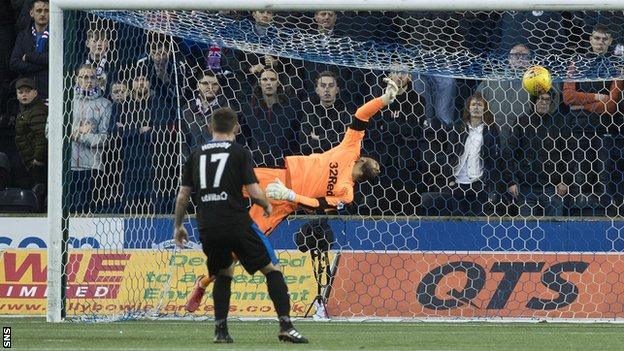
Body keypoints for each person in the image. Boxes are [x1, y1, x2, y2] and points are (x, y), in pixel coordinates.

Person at [186, 78, 400, 305]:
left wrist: (290, 196)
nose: (376, 165)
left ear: (368, 175)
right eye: (375, 163)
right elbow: (361, 115)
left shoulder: (346, 193)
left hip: (283, 203)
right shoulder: (350, 149)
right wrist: (384, 99)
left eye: (377, 169)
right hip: (280, 178)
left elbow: (317, 204)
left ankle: (203, 283)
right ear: (363, 158)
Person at [173, 107, 308, 344]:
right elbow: (255, 192)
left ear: (209, 128)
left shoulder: (195, 154)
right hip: (236, 223)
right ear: (236, 127)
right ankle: (286, 326)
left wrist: (178, 226)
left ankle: (221, 331)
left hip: (208, 226)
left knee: (223, 274)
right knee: (272, 270)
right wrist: (266, 206)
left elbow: (183, 196)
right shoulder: (239, 152)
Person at [9, 0, 49, 99]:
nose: (43, 14)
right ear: (31, 13)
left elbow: (53, 59)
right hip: (27, 90)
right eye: (39, 10)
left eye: (46, 10)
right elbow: (14, 63)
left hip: (49, 89)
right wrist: (43, 66)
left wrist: (29, 56)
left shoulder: (58, 34)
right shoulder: (23, 35)